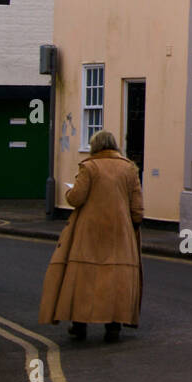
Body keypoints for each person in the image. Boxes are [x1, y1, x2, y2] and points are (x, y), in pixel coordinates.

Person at [38, 129, 144, 343]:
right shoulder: (129, 169)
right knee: (116, 280)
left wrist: (68, 192)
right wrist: (131, 222)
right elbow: (138, 209)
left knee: (83, 279)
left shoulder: (89, 167)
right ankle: (113, 327)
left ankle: (79, 326)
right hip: (120, 234)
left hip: (89, 232)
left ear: (95, 146)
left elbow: (76, 198)